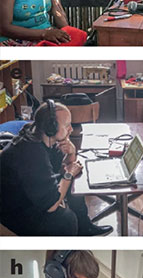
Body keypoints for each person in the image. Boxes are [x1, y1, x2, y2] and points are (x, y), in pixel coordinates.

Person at [0, 101, 112, 236]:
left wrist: (71, 153)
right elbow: (51, 205)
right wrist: (69, 174)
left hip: (30, 193)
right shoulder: (31, 151)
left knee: (73, 185)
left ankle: (84, 228)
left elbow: (61, 168)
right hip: (15, 210)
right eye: (67, 125)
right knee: (66, 219)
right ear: (51, 128)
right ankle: (68, 251)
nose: (71, 129)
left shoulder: (45, 137)